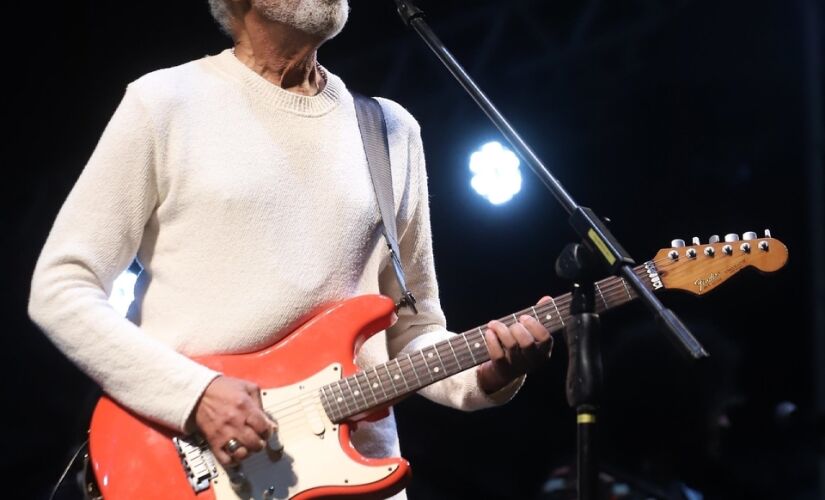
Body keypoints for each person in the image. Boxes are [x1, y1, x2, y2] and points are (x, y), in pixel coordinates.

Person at [28, 0, 553, 497]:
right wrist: (196, 394)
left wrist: (486, 373)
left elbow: (412, 331)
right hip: (196, 464)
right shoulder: (165, 103)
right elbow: (61, 286)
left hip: (355, 479)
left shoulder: (389, 130)